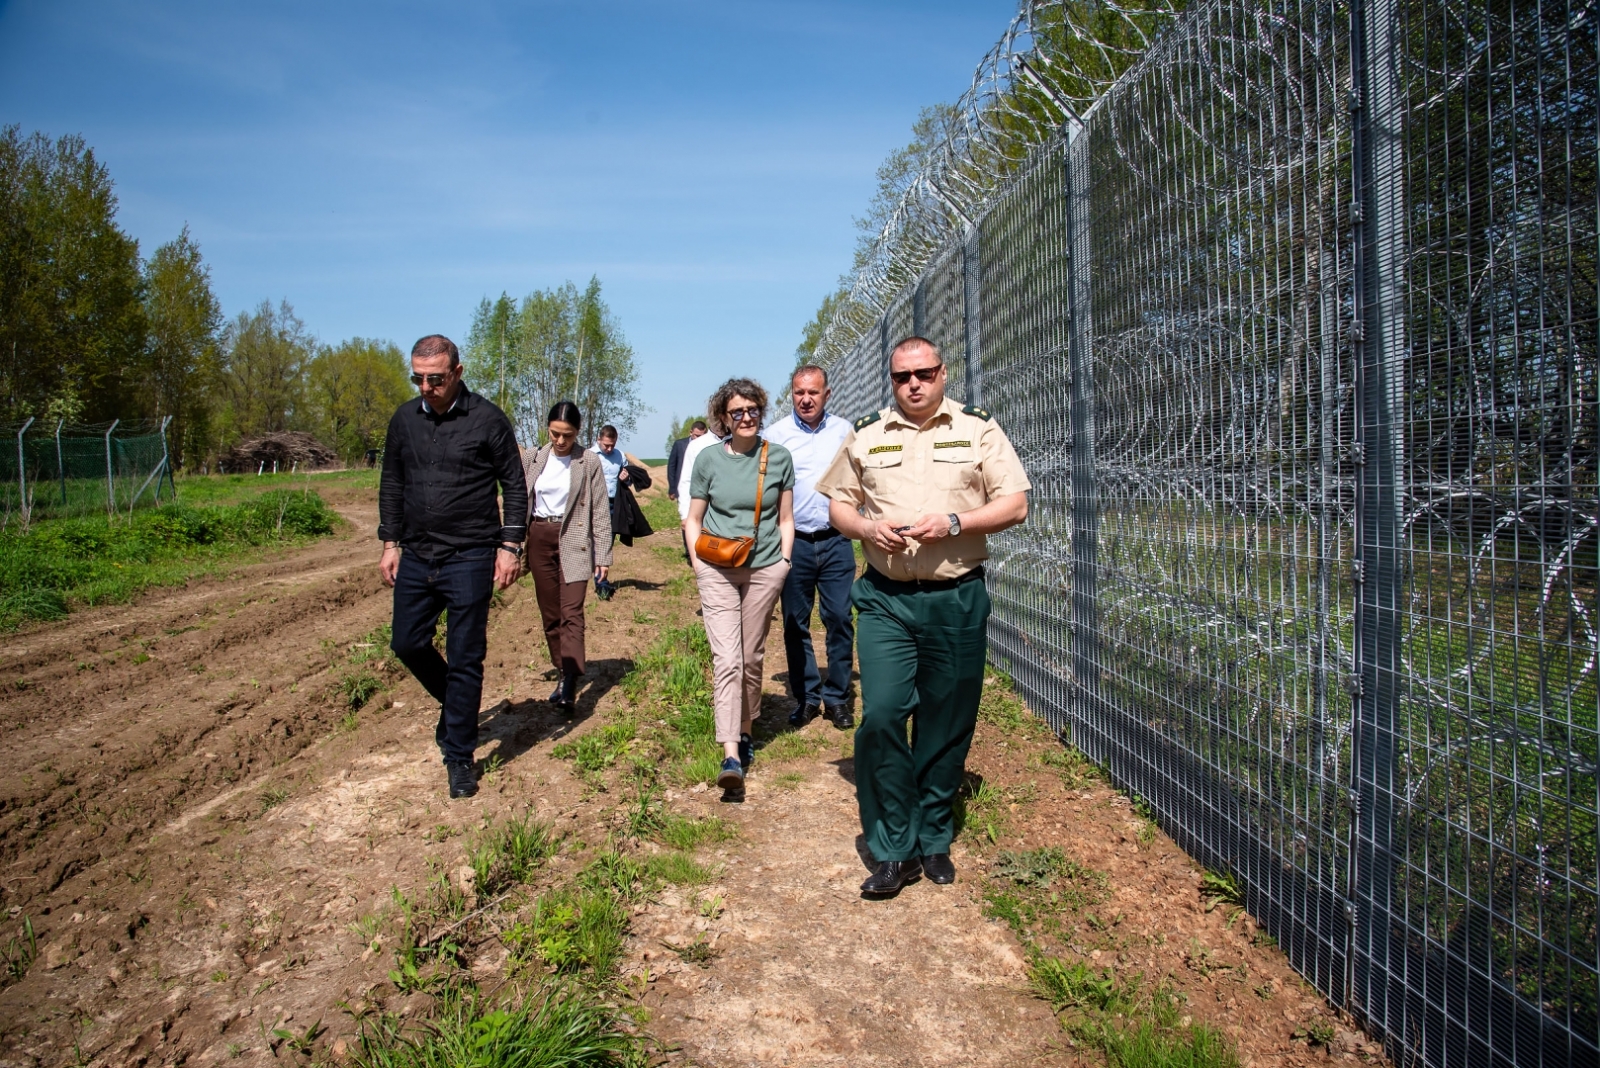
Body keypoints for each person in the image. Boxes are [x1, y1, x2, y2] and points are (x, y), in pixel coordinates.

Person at [816, 336, 1030, 895]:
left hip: (954, 598)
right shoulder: (866, 434)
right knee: (884, 714)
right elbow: (839, 503)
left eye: (924, 373)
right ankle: (893, 848)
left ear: (942, 374)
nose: (913, 384)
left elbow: (1016, 503)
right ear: (892, 380)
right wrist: (865, 527)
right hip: (886, 597)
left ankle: (933, 835)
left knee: (944, 719)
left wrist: (956, 523)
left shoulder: (977, 429)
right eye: (902, 376)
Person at [379, 334, 526, 800]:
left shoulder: (487, 420)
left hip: (471, 555)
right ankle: (459, 706)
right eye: (418, 378)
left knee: (466, 657)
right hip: (419, 554)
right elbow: (392, 482)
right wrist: (389, 542)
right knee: (406, 642)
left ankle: (459, 756)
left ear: (457, 374)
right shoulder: (403, 420)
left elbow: (515, 485)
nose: (426, 387)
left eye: (435, 379)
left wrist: (510, 545)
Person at [685, 378, 796, 801]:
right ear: (722, 418)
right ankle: (731, 754)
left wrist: (784, 562)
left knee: (751, 657)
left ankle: (747, 728)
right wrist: (698, 564)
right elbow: (694, 516)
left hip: (765, 567)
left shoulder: (778, 458)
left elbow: (786, 518)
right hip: (716, 567)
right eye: (737, 412)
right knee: (727, 659)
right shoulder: (709, 460)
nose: (746, 417)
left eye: (752, 410)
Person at [764, 365, 857, 731]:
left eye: (813, 392)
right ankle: (806, 698)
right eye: (799, 392)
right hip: (794, 542)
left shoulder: (844, 432)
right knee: (793, 622)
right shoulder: (775, 436)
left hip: (836, 541)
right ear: (792, 394)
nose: (806, 399)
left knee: (839, 618)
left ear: (826, 394)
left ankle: (837, 698)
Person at [521, 401, 612, 716]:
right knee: (551, 615)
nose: (561, 441)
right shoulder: (533, 458)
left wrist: (603, 555)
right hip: (539, 538)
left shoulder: (588, 462)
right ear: (548, 429)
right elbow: (518, 498)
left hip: (574, 540)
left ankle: (571, 681)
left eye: (568, 435)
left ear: (578, 433)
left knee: (571, 611)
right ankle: (562, 670)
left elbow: (600, 511)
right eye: (555, 433)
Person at [666, 420, 708, 503]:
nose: (699, 439)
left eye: (702, 436)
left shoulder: (709, 447)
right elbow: (671, 467)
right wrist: (672, 488)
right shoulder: (679, 445)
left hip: (702, 488)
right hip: (683, 487)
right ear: (691, 432)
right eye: (697, 436)